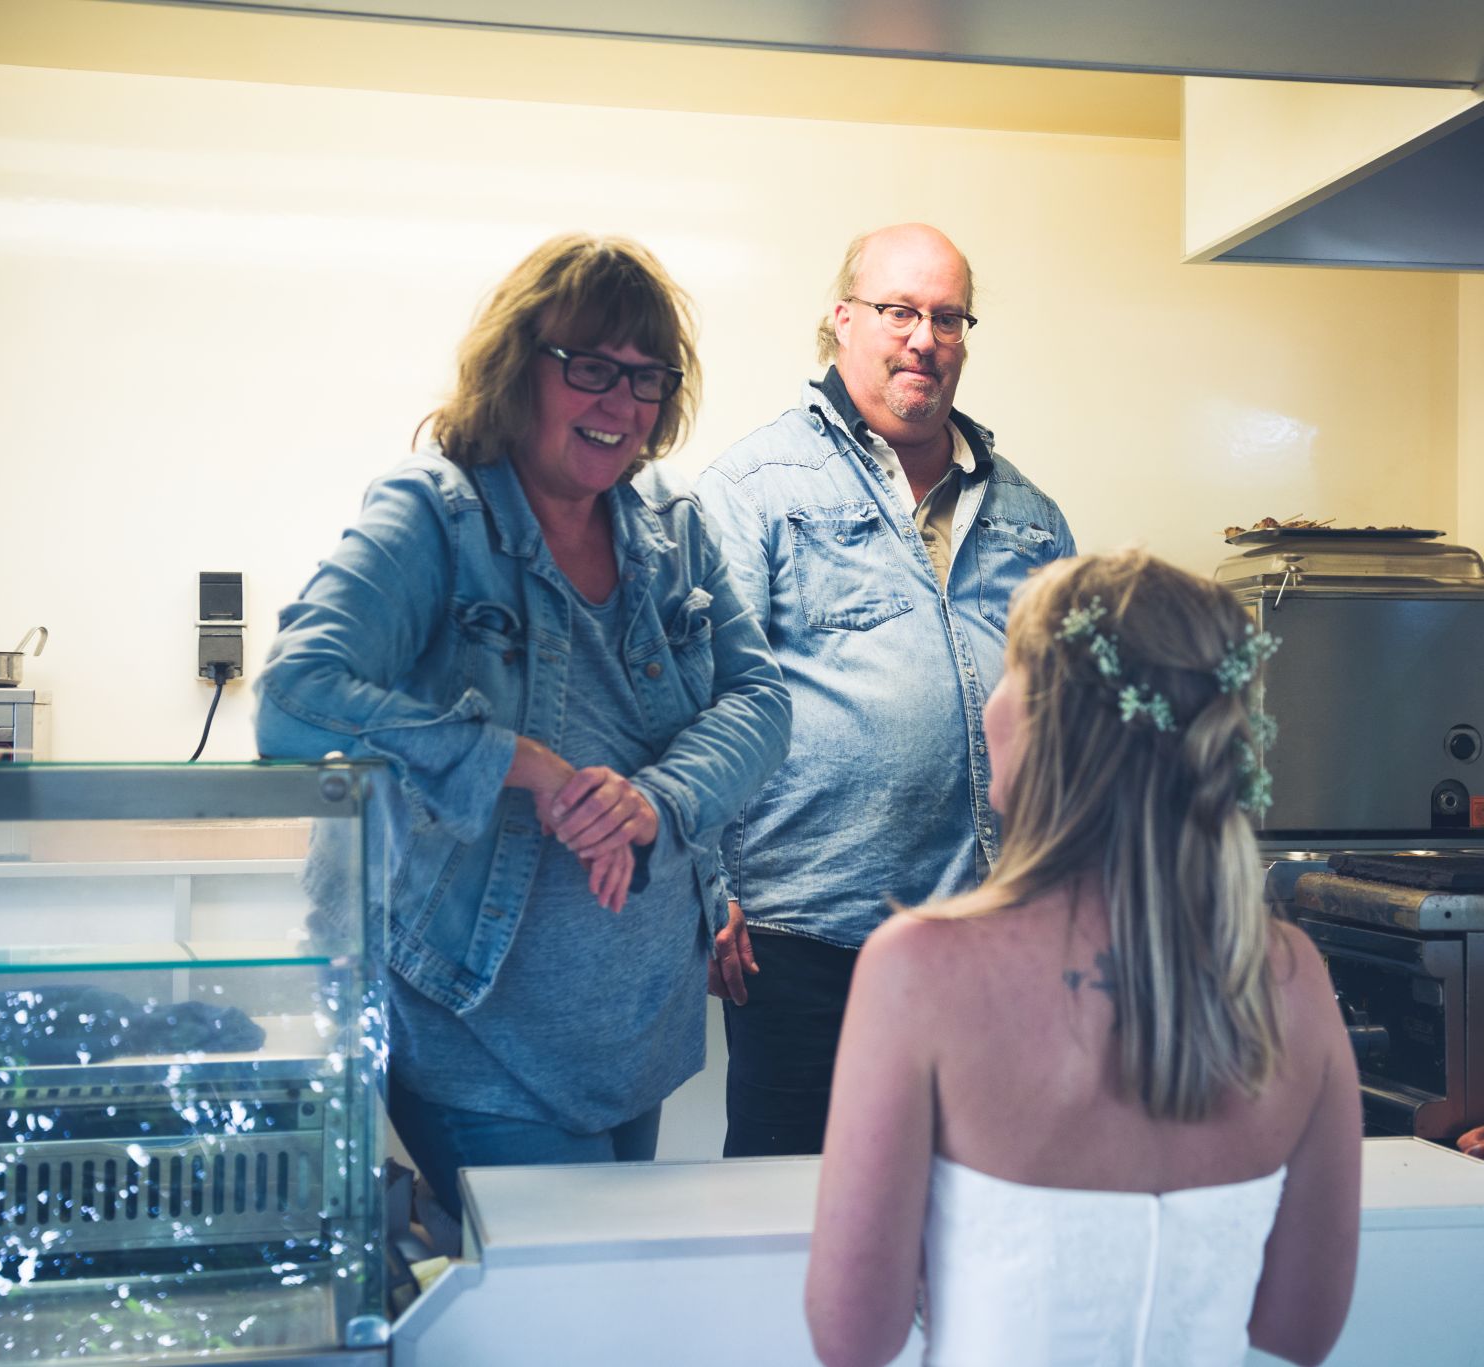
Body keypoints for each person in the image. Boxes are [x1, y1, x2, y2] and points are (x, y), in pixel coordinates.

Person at [255, 234, 790, 1218]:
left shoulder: (674, 525)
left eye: (646, 377)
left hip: (636, 1031)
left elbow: (760, 700)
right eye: (590, 367)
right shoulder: (435, 513)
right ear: (518, 367)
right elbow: (294, 697)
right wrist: (512, 760)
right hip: (473, 1032)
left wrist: (654, 800)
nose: (621, 402)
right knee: (558, 1297)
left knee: (591, 1285)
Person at [806, 550, 1362, 1367]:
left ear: (1050, 722)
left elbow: (852, 1337)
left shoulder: (921, 969)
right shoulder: (1288, 975)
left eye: (1010, 671)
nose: (991, 704)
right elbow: (1298, 1331)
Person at [695, 223, 1077, 1157]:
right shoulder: (754, 487)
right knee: (795, 1204)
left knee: (973, 1199)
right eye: (899, 311)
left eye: (948, 318)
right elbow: (702, 700)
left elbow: (1074, 719)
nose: (924, 339)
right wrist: (702, 885)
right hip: (807, 939)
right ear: (842, 318)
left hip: (988, 938)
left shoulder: (1030, 515)